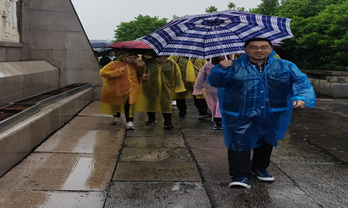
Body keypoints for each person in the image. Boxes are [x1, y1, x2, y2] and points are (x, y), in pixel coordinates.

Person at [208, 37, 316, 189]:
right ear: (245, 50)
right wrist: (220, 68)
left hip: (272, 110)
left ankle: (260, 167)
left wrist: (300, 97)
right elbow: (215, 82)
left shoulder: (285, 66)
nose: (259, 50)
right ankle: (240, 174)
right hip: (240, 111)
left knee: (266, 139)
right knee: (238, 140)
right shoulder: (233, 66)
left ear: (271, 49)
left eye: (264, 47)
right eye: (253, 47)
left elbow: (300, 81)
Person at [135, 52, 186, 129]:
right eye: (159, 58)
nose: (162, 59)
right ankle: (151, 118)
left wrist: (178, 86)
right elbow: (139, 73)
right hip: (150, 86)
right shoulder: (147, 63)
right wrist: (141, 69)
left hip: (167, 87)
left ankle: (167, 122)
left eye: (164, 57)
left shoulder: (172, 63)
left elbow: (177, 75)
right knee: (150, 102)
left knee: (166, 103)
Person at [99, 52, 140, 130]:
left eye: (134, 58)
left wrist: (142, 67)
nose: (132, 60)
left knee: (129, 105)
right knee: (115, 104)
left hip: (131, 89)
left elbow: (140, 75)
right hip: (117, 89)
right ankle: (116, 116)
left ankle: (129, 122)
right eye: (130, 58)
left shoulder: (135, 65)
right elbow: (103, 72)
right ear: (124, 56)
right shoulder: (114, 64)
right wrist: (118, 71)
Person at [193, 56, 223, 130]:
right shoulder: (208, 65)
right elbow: (201, 76)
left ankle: (218, 121)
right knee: (218, 104)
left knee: (217, 104)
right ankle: (219, 121)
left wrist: (198, 87)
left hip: (214, 88)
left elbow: (200, 77)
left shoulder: (207, 65)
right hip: (216, 89)